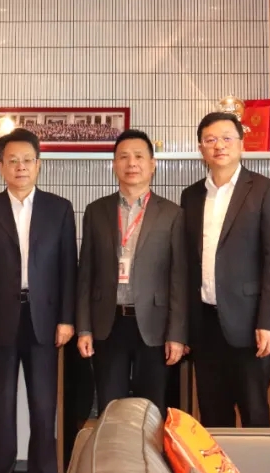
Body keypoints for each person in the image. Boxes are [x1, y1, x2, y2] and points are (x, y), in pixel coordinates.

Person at [0, 128, 76, 473]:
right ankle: (1, 465)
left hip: (45, 320)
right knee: (0, 404)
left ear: (39, 165)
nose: (21, 167)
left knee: (43, 407)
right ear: (0, 166)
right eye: (12, 160)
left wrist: (67, 318)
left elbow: (68, 269)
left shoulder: (59, 209)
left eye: (27, 160)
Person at [180, 111, 270, 428]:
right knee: (212, 417)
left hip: (250, 324)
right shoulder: (191, 196)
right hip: (205, 324)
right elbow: (187, 264)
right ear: (201, 148)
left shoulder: (265, 190)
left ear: (241, 144)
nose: (219, 145)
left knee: (255, 414)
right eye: (210, 139)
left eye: (227, 138)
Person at [76, 129, 187, 414]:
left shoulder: (172, 213)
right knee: (110, 406)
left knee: (152, 408)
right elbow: (86, 273)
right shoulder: (96, 211)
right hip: (108, 322)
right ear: (114, 164)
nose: (131, 163)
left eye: (139, 156)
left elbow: (178, 279)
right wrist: (84, 328)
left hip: (154, 324)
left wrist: (176, 334)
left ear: (152, 164)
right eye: (123, 157)